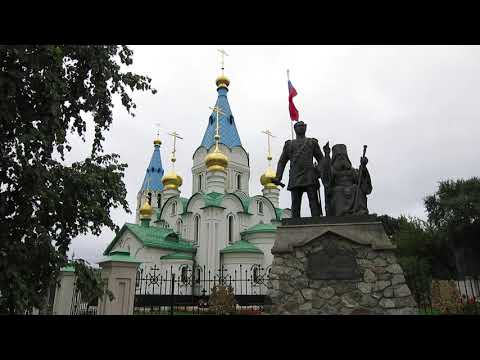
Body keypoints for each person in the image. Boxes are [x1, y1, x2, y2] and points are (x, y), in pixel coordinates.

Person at [273, 121, 326, 218]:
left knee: (313, 200)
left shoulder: (312, 143)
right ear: (295, 128)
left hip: (310, 175)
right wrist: (278, 177)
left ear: (306, 128)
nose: (301, 127)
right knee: (295, 202)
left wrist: (318, 171)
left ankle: (316, 221)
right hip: (295, 175)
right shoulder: (289, 145)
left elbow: (321, 159)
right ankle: (295, 223)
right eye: (299, 126)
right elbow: (282, 161)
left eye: (303, 126)